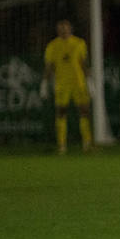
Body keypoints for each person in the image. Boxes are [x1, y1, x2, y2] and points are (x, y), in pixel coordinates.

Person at [42, 18, 92, 153]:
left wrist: (90, 81)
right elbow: (49, 66)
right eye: (61, 29)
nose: (63, 31)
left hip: (78, 83)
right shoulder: (52, 46)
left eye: (65, 28)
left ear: (70, 29)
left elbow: (84, 63)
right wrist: (44, 83)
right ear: (57, 30)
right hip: (62, 84)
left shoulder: (79, 43)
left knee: (84, 111)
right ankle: (62, 145)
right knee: (61, 112)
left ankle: (87, 143)